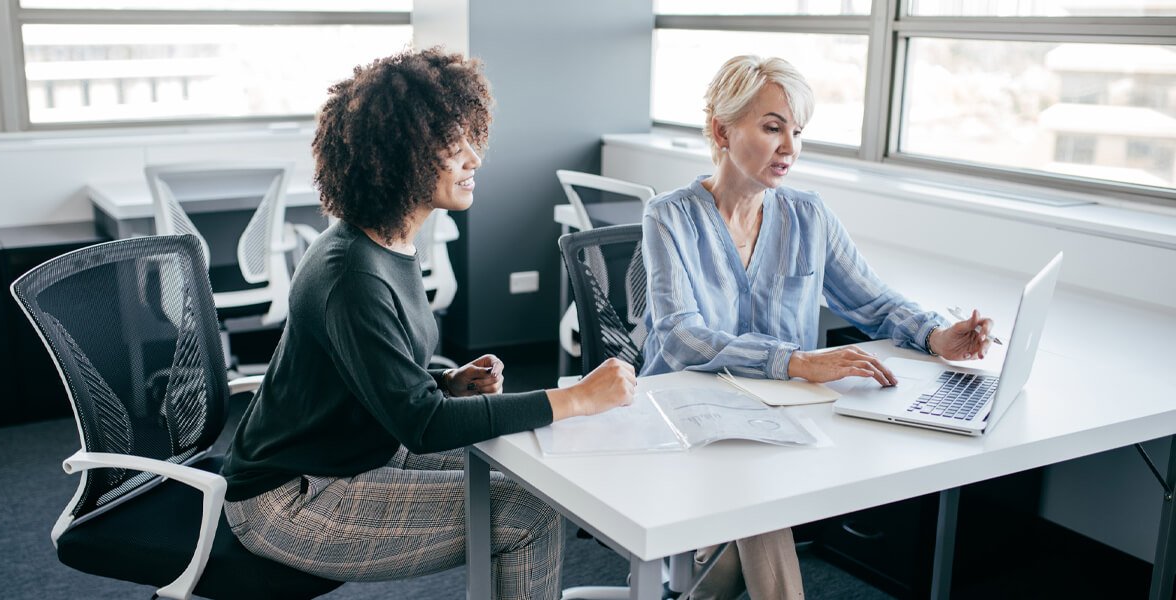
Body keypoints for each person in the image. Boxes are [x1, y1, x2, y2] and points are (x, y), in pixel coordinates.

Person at [220, 48, 636, 600]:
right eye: (451, 145)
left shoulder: (388, 241)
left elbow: (380, 380)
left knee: (533, 475)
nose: (474, 159)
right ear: (400, 156)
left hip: (358, 452)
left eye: (472, 138)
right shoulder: (352, 272)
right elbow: (425, 426)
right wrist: (578, 398)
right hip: (293, 497)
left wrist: (445, 382)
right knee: (529, 511)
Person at [640, 55, 996, 600]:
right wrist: (795, 360)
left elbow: (873, 300)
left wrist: (934, 335)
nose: (790, 148)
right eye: (771, 127)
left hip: (778, 418)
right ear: (721, 130)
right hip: (685, 414)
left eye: (797, 131)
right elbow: (678, 336)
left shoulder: (808, 216)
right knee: (758, 506)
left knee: (751, 513)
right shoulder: (670, 217)